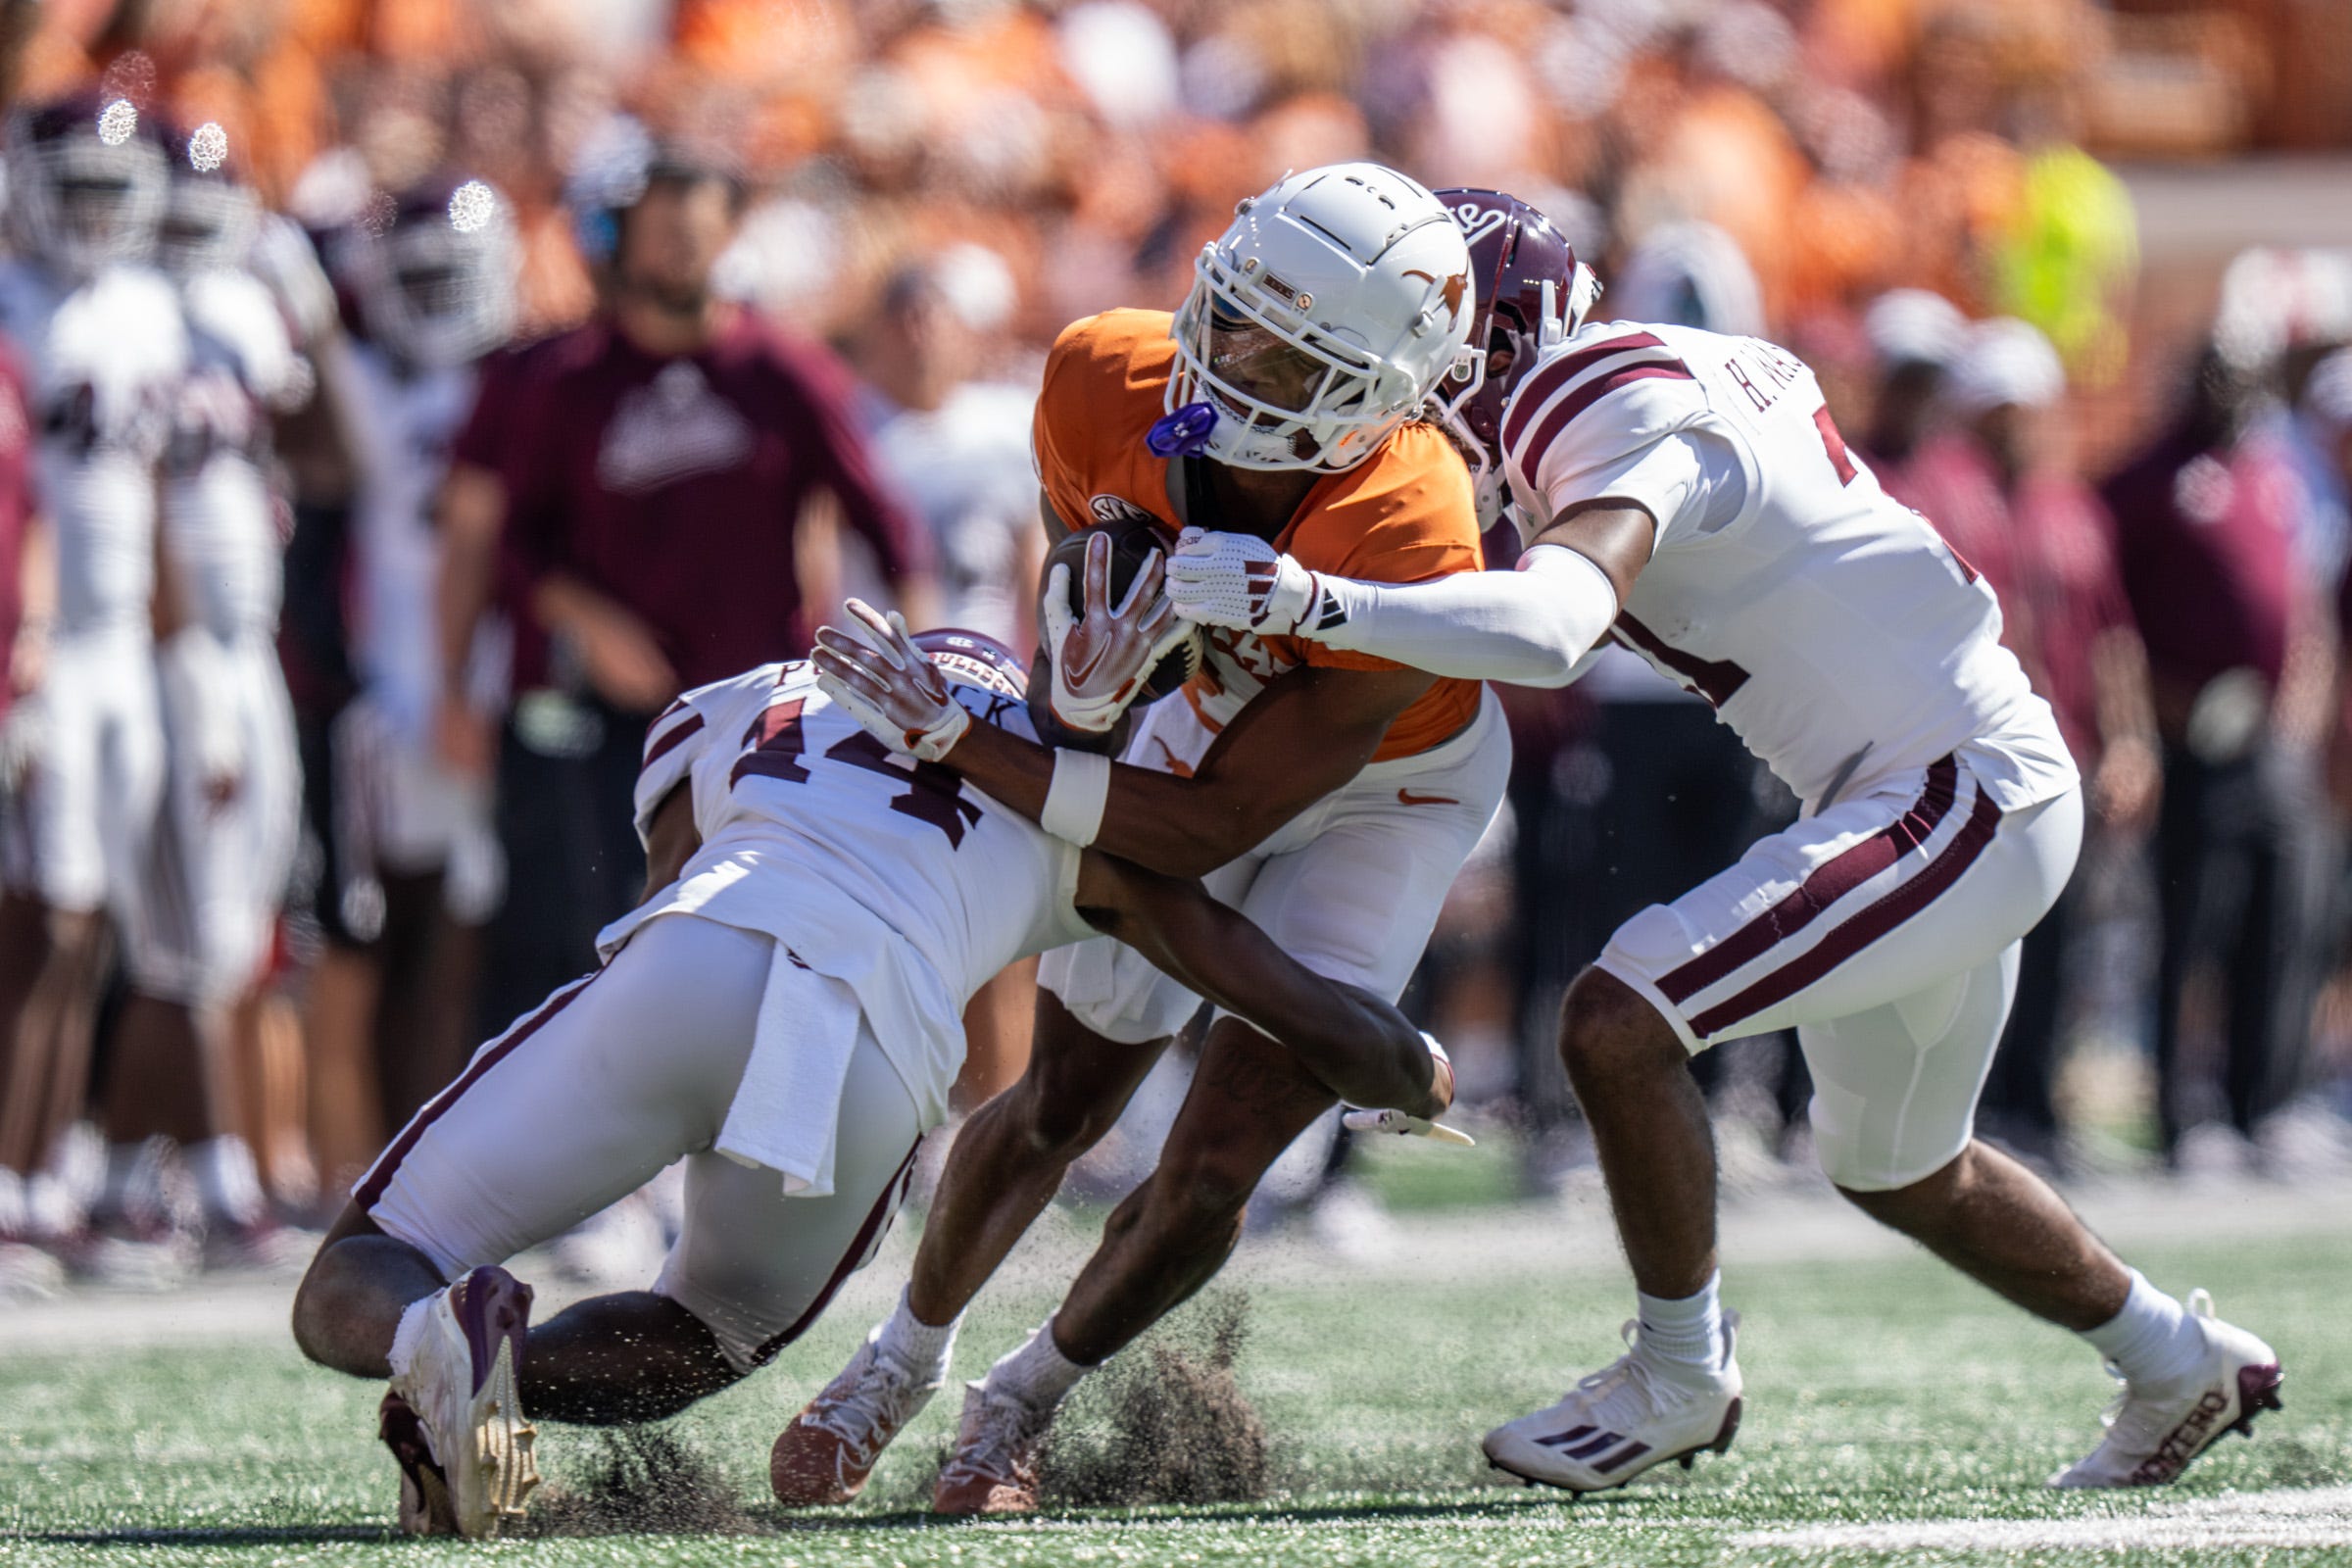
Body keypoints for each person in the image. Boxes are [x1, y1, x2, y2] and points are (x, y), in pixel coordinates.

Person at [1167, 189, 2280, 1494]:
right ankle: (2181, 1359)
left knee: (1617, 1017)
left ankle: (1679, 1374)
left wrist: (1307, 599)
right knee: (1899, 1167)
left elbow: (1549, 628)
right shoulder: (1634, 384)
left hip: (1953, 785)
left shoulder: (1592, 397)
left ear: (1472, 340)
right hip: (1932, 780)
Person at [289, 608, 1452, 1541]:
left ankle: (434, 1341)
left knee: (366, 1262)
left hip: (700, 952)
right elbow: (1282, 998)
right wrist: (1411, 1068)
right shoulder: (1075, 814)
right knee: (702, 1335)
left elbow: (662, 872)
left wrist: (656, 1076)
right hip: (871, 1060)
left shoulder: (761, 691)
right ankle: (489, 1371)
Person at [784, 161, 1510, 1517]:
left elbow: (1212, 828)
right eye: (1228, 319)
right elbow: (1088, 630)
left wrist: (966, 743)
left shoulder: (1407, 521)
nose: (1226, 369)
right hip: (1195, 717)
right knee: (1063, 1095)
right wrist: (1080, 702)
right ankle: (898, 1361)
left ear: (1374, 396)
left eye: (1283, 362)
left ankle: (1018, 1405)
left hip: (1383, 785)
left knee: (1215, 1163)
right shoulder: (1101, 376)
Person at [444, 119, 938, 1039]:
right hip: (608, 712)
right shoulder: (570, 380)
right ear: (621, 238)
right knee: (593, 922)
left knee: (752, 926)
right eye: (657, 228)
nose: (674, 248)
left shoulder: (783, 371)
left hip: (760, 707)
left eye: (695, 228)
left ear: (730, 235)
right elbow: (512, 546)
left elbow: (888, 526)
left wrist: (929, 670)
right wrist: (585, 621)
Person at [92, 117, 317, 1270]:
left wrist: (301, 302)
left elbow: (316, 449)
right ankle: (207, 1175)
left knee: (239, 916)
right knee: (188, 929)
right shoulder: (118, 317)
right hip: (178, 645)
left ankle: (151, 1168)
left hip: (248, 637)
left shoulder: (237, 309)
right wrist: (183, 645)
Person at [301, 174, 522, 1191]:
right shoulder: (362, 382)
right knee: (399, 927)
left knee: (492, 929)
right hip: (395, 691)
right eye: (415, 279)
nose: (436, 300)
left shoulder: (529, 381)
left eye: (452, 278)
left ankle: (461, 1156)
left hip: (499, 684)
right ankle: (386, 1157)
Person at [0, 92, 188, 1274]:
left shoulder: (149, 311)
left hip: (125, 641)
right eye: (67, 188)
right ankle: (15, 1174)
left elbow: (156, 487)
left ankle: (46, 1172)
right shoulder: (14, 301)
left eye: (107, 190)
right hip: (45, 640)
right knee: (48, 914)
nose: (86, 214)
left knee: (96, 927)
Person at [1936, 320, 2158, 1168]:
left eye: (2024, 408)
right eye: (1998, 409)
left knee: (2061, 942)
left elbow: (2111, 635)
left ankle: (2040, 1108)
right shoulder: (1947, 497)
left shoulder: (2073, 507)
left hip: (2064, 760)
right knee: (1971, 944)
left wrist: (2133, 738)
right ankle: (1973, 1111)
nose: (2015, 424)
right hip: (1973, 759)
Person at [2104, 345, 2332, 1169]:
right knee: (2192, 923)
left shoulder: (2273, 471)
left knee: (2281, 922)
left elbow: (2301, 600)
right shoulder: (2145, 480)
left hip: (2273, 741)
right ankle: (2180, 1112)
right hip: (2192, 740)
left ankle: (2263, 1103)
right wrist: (2160, 711)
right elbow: (2112, 614)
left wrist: (2298, 712)